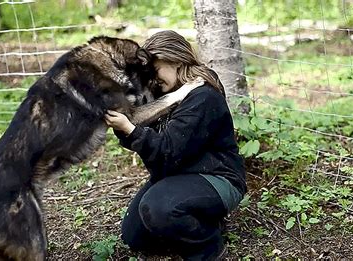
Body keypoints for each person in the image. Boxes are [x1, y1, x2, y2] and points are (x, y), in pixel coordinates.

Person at [105, 30, 247, 260]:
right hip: (178, 175)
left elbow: (168, 150)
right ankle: (194, 218)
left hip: (217, 177)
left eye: (156, 69)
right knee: (134, 235)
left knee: (160, 208)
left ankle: (208, 247)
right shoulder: (165, 91)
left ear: (177, 60)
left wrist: (130, 129)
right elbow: (137, 122)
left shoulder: (203, 96)